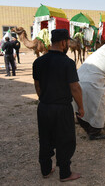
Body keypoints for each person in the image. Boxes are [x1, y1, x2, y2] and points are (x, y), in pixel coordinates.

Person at [32, 29, 84, 182]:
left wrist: (45, 99)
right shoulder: (68, 63)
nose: (68, 44)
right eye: (68, 42)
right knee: (65, 139)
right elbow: (75, 88)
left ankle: (46, 170)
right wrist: (81, 107)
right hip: (62, 108)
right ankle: (65, 173)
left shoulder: (38, 62)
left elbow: (37, 86)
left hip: (44, 107)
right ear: (63, 43)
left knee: (45, 138)